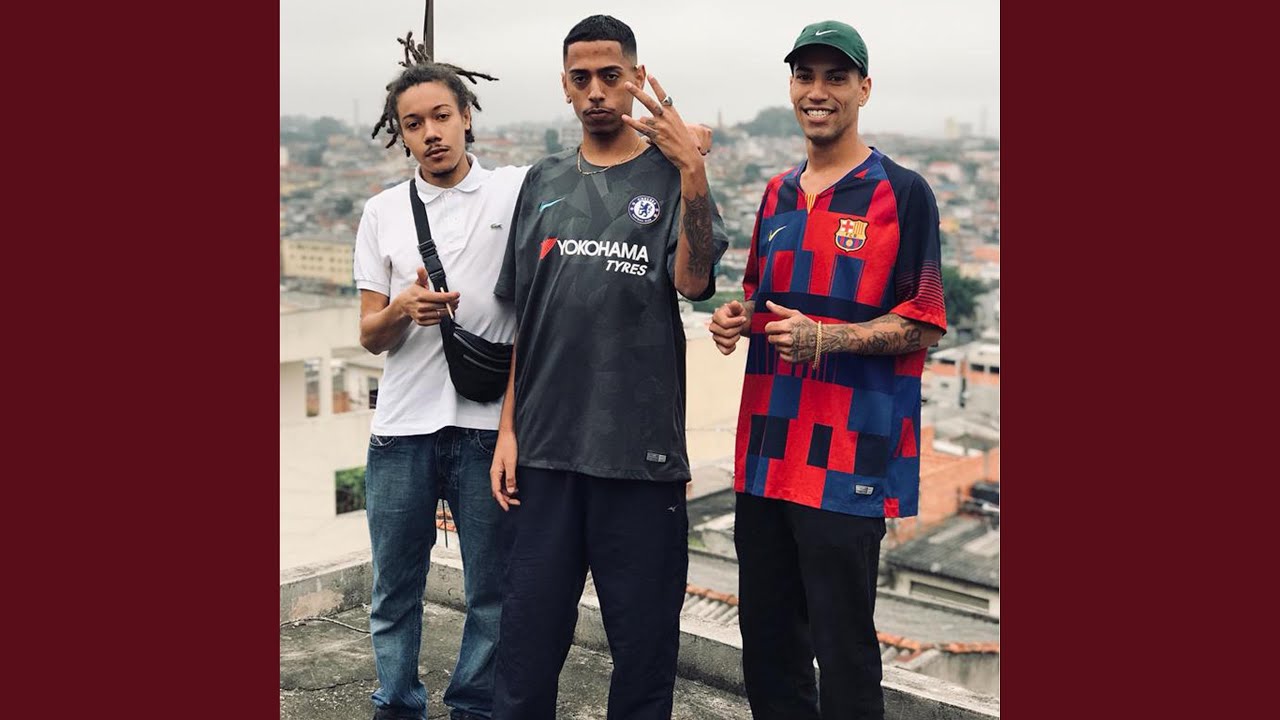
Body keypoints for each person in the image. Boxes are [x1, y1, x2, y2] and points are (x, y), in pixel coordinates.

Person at [488, 14, 729, 720]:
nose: (596, 90)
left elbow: (693, 282)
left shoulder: (673, 175)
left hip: (640, 458)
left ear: (636, 78)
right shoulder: (543, 181)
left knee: (644, 655)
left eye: (610, 75)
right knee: (525, 650)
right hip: (545, 456)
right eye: (581, 78)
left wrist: (693, 171)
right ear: (564, 87)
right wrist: (508, 431)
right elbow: (526, 320)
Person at [706, 20, 948, 720]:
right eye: (805, 76)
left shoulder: (902, 193)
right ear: (791, 88)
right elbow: (762, 300)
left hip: (849, 461)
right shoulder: (776, 194)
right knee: (768, 648)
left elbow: (925, 322)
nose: (818, 91)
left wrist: (828, 338)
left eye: (836, 77)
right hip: (766, 455)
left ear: (863, 89)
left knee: (844, 654)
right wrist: (737, 319)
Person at [352, 36, 523, 720]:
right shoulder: (382, 212)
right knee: (394, 588)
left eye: (441, 116)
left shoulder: (513, 191)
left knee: (493, 591)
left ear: (467, 116)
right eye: (414, 123)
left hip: (486, 429)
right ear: (401, 135)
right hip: (402, 428)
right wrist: (403, 309)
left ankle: (473, 706)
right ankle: (396, 703)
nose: (431, 133)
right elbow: (369, 335)